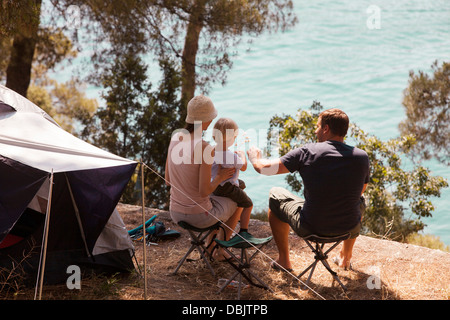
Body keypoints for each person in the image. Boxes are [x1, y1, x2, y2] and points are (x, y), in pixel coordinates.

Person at [247, 108, 369, 271]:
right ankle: (345, 257)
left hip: (311, 227)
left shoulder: (308, 152)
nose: (315, 130)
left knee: (276, 194)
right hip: (348, 227)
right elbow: (361, 190)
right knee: (359, 201)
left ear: (326, 129)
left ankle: (284, 261)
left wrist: (255, 157)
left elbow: (265, 169)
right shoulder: (361, 157)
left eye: (318, 126)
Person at [165, 95, 243, 260]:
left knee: (216, 197)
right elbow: (204, 191)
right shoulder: (204, 147)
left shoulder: (176, 137)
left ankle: (210, 247)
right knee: (239, 200)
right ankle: (220, 250)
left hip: (175, 212)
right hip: (199, 217)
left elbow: (168, 180)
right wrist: (220, 176)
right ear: (208, 120)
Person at [211, 117, 253, 238]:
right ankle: (244, 231)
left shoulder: (211, 151)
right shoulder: (231, 156)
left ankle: (236, 219)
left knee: (242, 184)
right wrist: (242, 155)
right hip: (226, 188)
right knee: (248, 204)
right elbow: (243, 167)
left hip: (215, 185)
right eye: (234, 137)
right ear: (230, 139)